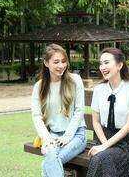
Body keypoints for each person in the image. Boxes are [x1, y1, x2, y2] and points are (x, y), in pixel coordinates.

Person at [87, 47, 129, 177]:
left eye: (107, 62)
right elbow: (95, 121)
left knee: (101, 158)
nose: (102, 67)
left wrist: (104, 146)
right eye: (101, 63)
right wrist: (104, 144)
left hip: (127, 141)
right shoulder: (99, 90)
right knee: (101, 157)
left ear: (119, 65)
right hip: (104, 137)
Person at [31, 44, 87, 177]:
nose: (61, 65)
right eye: (56, 62)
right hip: (53, 135)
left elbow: (80, 110)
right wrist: (47, 139)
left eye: (63, 61)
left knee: (48, 163)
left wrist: (67, 137)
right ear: (46, 63)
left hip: (76, 135)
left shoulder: (75, 80)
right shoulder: (39, 86)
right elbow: (36, 115)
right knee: (51, 158)